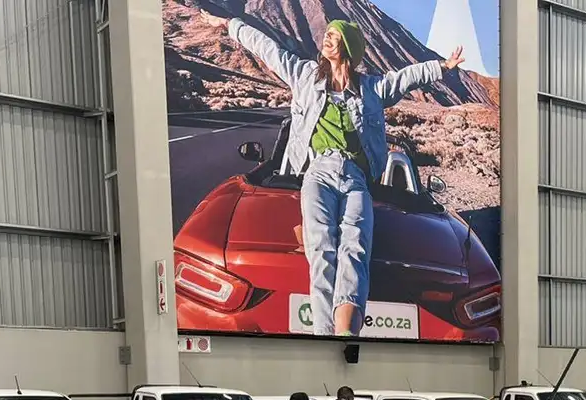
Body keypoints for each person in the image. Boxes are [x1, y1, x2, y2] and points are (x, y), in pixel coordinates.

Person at [199, 11, 464, 337]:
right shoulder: (305, 76)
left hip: (356, 179)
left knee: (355, 247)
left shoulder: (371, 90)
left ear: (349, 49)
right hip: (317, 173)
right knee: (321, 246)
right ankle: (324, 336)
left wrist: (442, 66)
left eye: (335, 36)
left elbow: (404, 78)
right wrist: (229, 24)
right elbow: (267, 48)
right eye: (328, 33)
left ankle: (346, 335)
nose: (327, 37)